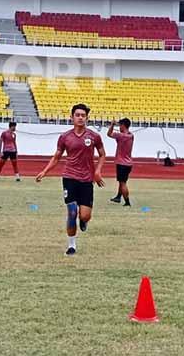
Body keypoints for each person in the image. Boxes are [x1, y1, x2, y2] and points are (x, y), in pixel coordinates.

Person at [35, 103, 106, 257]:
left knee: (85, 215)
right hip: (69, 178)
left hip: (86, 180)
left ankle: (84, 220)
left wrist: (97, 171)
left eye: (83, 115)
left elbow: (102, 154)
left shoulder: (94, 136)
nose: (80, 118)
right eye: (77, 115)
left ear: (87, 118)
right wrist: (45, 171)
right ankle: (71, 245)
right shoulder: (65, 137)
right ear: (72, 117)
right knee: (72, 212)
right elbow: (57, 157)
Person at [107, 118, 134, 207]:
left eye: (120, 125)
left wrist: (112, 125)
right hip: (128, 163)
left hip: (122, 163)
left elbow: (109, 134)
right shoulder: (131, 135)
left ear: (123, 125)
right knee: (122, 181)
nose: (119, 127)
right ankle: (118, 197)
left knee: (122, 183)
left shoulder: (121, 135)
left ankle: (127, 202)